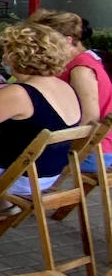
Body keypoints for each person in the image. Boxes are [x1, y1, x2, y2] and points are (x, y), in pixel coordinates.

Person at [0, 23, 81, 197]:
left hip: (11, 175)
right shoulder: (65, 87)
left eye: (6, 52)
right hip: (47, 174)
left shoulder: (19, 94)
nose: (4, 58)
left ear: (19, 56)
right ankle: (3, 204)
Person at [29, 10, 111, 169]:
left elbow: (90, 120)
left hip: (93, 152)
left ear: (67, 40)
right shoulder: (85, 59)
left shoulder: (81, 70)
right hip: (96, 147)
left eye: (47, 40)